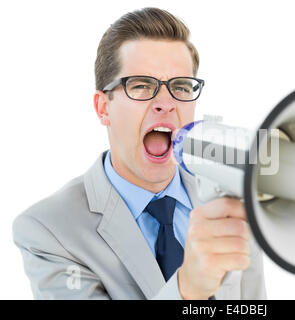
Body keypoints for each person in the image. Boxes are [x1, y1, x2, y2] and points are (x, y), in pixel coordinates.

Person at [12, 7, 266, 300]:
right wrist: (188, 289)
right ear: (103, 107)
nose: (166, 103)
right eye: (142, 85)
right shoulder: (48, 230)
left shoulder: (233, 197)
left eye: (181, 87)